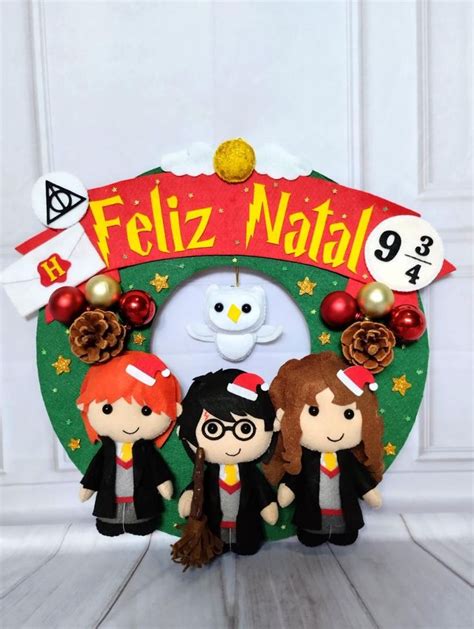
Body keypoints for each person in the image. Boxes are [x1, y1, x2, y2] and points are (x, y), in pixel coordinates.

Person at [264, 351, 384, 547]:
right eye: (313, 411)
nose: (332, 428)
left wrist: (370, 492)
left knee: (346, 537)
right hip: (312, 519)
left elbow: (360, 479)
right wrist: (288, 488)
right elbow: (296, 476)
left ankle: (341, 532)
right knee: (310, 536)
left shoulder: (347, 459)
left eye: (348, 414)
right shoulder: (306, 458)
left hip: (344, 518)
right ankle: (314, 532)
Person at [77, 351, 181, 536]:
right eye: (107, 408)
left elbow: (157, 469)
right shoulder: (106, 451)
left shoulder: (146, 451)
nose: (127, 422)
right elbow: (95, 470)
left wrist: (163, 483)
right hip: (110, 502)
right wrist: (88, 486)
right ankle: (110, 524)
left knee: (142, 519)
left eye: (146, 411)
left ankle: (139, 524)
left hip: (141, 504)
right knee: (109, 520)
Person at [177, 369, 279, 555]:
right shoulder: (209, 473)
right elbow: (198, 485)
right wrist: (189, 495)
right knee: (215, 544)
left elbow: (260, 489)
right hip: (214, 529)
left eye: (245, 428)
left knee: (247, 544)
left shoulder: (250, 473)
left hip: (246, 528)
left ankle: (244, 543)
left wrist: (267, 505)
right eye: (213, 429)